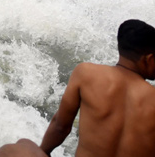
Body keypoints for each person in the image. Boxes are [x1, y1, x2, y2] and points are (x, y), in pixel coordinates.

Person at [37, 19, 155, 157]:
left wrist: (43, 153)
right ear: (149, 59)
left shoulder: (86, 73)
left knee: (18, 147)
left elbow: (60, 126)